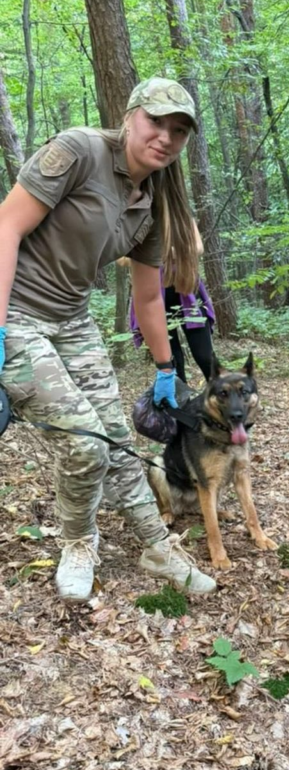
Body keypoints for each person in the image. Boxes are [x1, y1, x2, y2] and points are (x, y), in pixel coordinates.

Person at [0, 77, 218, 602]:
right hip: (17, 313)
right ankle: (79, 542)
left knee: (117, 439)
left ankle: (157, 546)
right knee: (83, 445)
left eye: (179, 130)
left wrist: (165, 368)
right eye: (155, 121)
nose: (165, 137)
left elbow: (148, 298)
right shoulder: (79, 151)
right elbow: (6, 227)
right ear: (129, 116)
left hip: (73, 320)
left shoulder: (156, 203)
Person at [126, 222, 216, 383]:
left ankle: (222, 396)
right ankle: (180, 397)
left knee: (205, 356)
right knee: (171, 359)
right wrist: (161, 254)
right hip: (153, 294)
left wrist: (154, 253)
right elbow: (122, 259)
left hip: (187, 289)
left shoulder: (182, 218)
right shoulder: (136, 221)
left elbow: (197, 248)